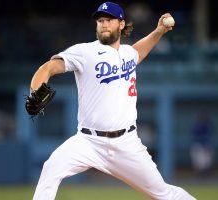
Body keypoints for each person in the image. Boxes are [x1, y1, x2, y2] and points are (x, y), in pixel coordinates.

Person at [29, 2, 196, 200]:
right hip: (88, 141)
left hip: (127, 143)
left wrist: (159, 31)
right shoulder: (84, 52)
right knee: (51, 168)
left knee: (163, 193)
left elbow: (138, 52)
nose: (104, 24)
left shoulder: (127, 53)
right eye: (100, 20)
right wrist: (34, 92)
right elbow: (47, 68)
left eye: (109, 20)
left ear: (121, 24)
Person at [190, 112, 213, 176]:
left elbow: (209, 137)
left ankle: (205, 176)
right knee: (198, 163)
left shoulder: (208, 125)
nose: (203, 118)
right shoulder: (196, 126)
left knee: (206, 163)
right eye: (201, 117)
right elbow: (193, 136)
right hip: (198, 146)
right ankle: (198, 176)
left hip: (206, 146)